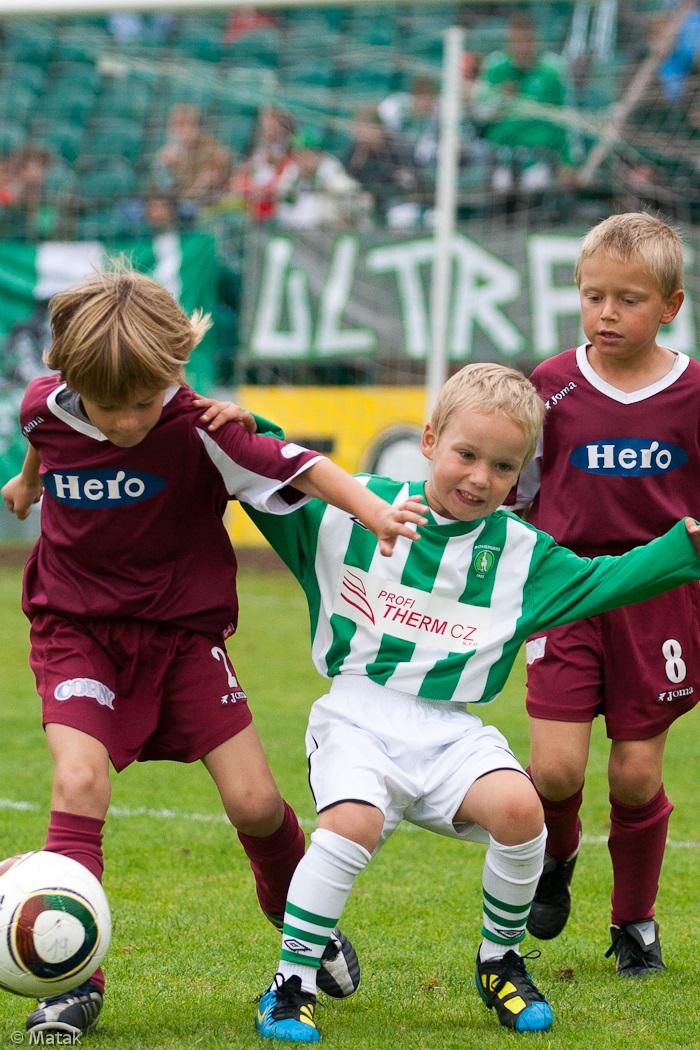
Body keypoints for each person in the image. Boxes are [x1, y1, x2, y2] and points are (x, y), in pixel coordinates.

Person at [197, 361, 700, 1041]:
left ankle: (500, 961)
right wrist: (249, 426)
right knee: (351, 825)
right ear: (429, 439)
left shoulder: (523, 554)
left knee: (522, 809)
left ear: (520, 475)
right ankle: (291, 982)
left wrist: (684, 547)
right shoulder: (357, 506)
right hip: (357, 718)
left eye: (503, 466)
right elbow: (274, 477)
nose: (481, 478)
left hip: (451, 731)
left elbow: (607, 579)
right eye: (466, 454)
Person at [0, 261, 428, 1039]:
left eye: (145, 402)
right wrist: (28, 485)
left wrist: (375, 512)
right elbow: (41, 435)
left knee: (256, 803)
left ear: (173, 372)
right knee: (78, 780)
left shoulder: (201, 428)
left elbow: (302, 466)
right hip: (76, 630)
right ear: (70, 379)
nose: (129, 422)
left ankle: (301, 922)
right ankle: (73, 978)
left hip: (183, 637)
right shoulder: (44, 406)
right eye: (110, 407)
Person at [506, 212, 699, 977]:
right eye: (593, 297)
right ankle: (555, 860)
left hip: (661, 600)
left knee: (636, 775)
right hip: (567, 591)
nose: (607, 313)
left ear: (671, 305)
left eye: (628, 299)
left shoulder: (693, 393)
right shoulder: (550, 385)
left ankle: (634, 923)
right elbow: (516, 485)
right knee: (555, 771)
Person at [473, 10, 573, 195]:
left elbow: (568, 118)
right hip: (501, 156)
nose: (521, 47)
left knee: (536, 187)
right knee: (500, 188)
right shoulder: (495, 67)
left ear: (535, 40)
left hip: (541, 156)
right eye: (516, 41)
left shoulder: (552, 70)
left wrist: (569, 161)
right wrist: (500, 99)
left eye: (526, 41)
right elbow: (479, 115)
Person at [153, 104, 234, 217]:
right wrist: (165, 166)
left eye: (191, 124)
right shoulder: (165, 155)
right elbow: (166, 190)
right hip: (177, 206)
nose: (185, 130)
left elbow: (210, 185)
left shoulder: (215, 150)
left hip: (209, 205)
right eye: (179, 125)